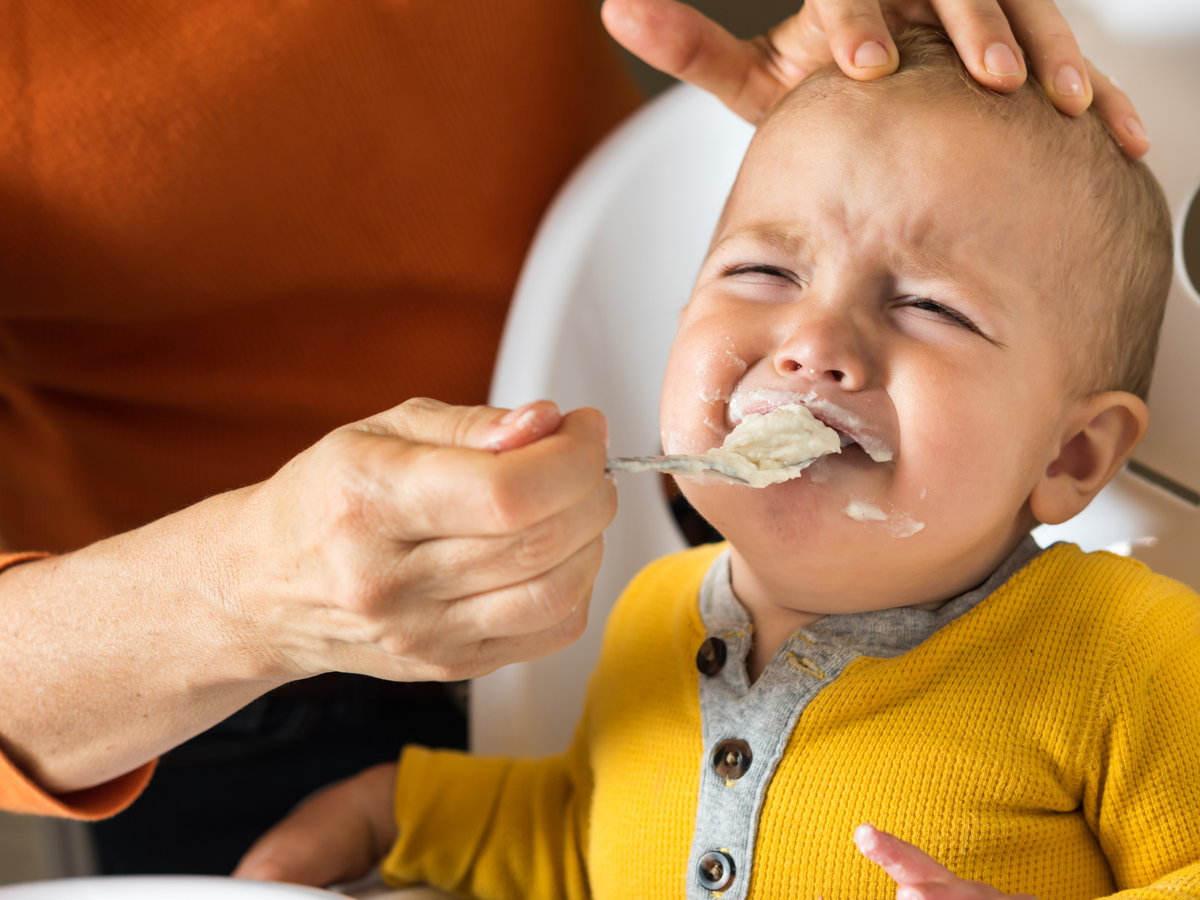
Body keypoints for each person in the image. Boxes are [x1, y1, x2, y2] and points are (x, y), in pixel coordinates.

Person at [0, 0, 1148, 874]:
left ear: (1073, 458)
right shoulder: (656, 615)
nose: (811, 342)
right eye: (762, 271)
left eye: (930, 307)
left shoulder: (1123, 656)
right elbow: (580, 831)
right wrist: (400, 815)